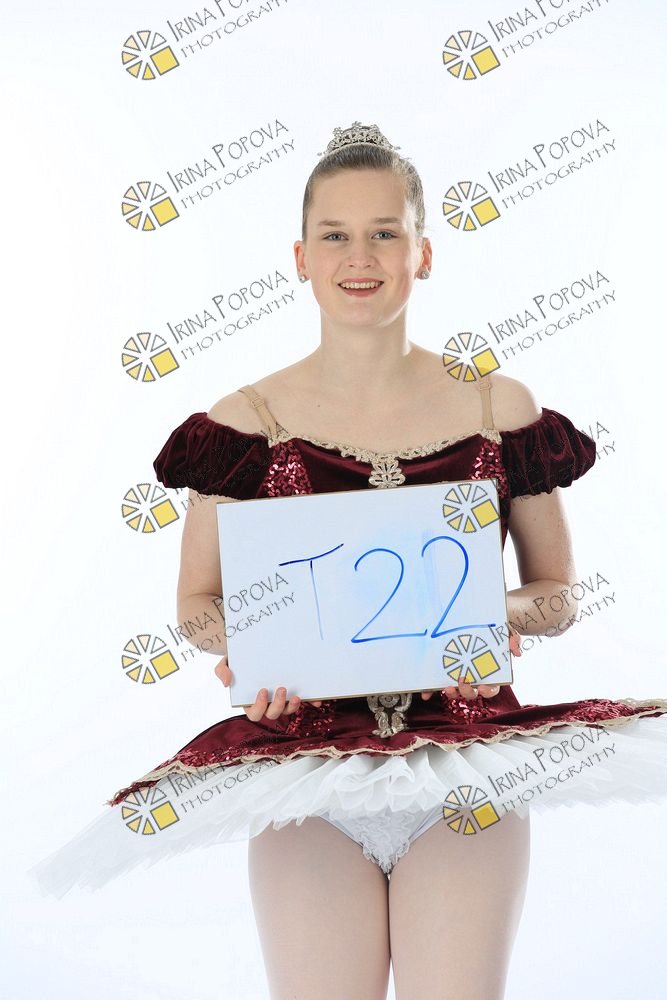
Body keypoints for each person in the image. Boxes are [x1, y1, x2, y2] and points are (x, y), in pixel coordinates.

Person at [29, 123, 667, 1000]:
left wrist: (486, 617)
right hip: (305, 774)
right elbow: (197, 606)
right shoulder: (245, 424)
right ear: (300, 258)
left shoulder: (497, 407)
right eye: (334, 235)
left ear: (423, 252)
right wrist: (257, 649)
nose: (358, 257)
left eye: (384, 232)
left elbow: (555, 595)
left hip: (465, 760)